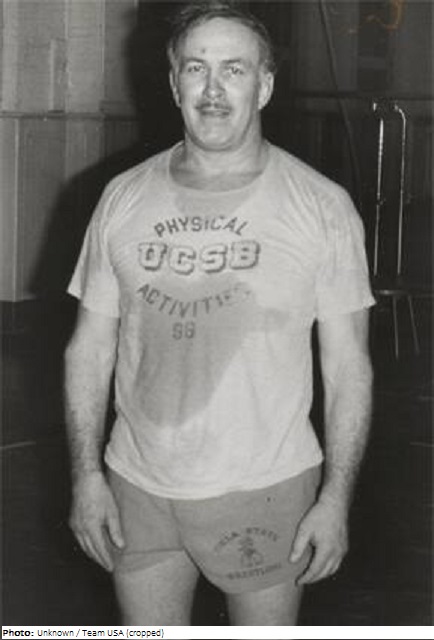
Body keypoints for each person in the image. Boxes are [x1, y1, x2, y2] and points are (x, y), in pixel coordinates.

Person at [65, 0, 375, 626]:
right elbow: (89, 350)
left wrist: (336, 498)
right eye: (196, 68)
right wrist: (86, 476)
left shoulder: (321, 206)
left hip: (265, 489)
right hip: (138, 484)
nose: (212, 89)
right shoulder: (121, 198)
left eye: (234, 70)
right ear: (173, 82)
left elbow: (348, 368)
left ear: (264, 86)